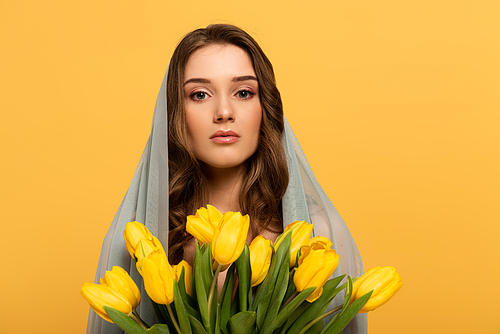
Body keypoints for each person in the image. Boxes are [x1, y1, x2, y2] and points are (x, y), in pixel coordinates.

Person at [87, 24, 367, 334]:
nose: (224, 112)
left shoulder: (319, 236)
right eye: (200, 94)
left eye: (244, 92)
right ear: (175, 114)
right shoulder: (141, 242)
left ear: (266, 109)